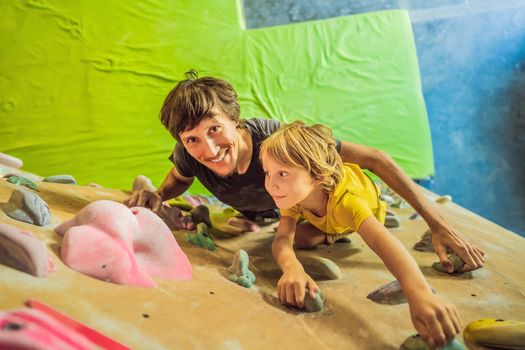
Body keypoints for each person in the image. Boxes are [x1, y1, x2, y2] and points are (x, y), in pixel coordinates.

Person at [125, 69, 485, 273]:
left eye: (215, 129)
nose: (210, 149)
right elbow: (178, 180)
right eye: (193, 139)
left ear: (234, 119)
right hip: (267, 214)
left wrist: (438, 224)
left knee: (312, 233)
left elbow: (376, 158)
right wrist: (157, 194)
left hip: (305, 209)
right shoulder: (188, 154)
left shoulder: (279, 142)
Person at [260, 121, 461, 348]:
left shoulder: (348, 202)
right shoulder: (292, 195)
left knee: (357, 225)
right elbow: (282, 239)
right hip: (324, 212)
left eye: (283, 173)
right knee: (302, 239)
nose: (271, 184)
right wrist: (292, 267)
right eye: (268, 172)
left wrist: (419, 292)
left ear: (315, 176)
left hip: (366, 207)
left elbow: (381, 241)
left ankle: (344, 227)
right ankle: (331, 233)